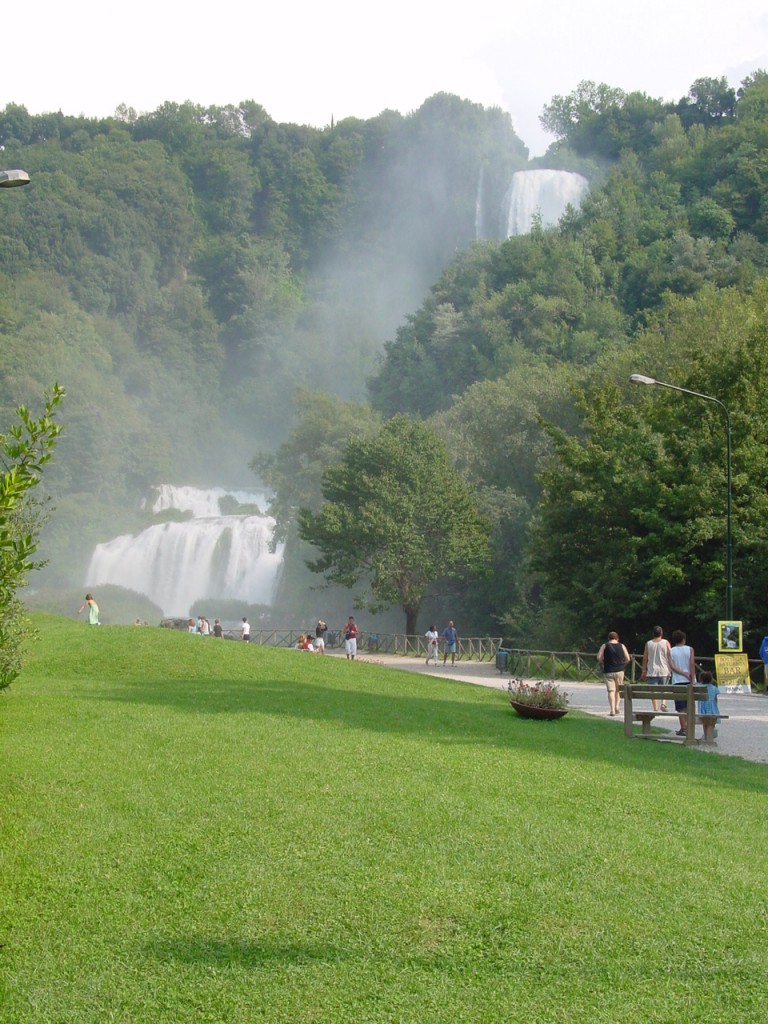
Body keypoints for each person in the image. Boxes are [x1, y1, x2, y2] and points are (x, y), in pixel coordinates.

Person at [596, 630, 630, 716]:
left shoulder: (605, 645)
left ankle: (612, 710)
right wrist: (622, 664)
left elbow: (599, 657)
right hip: (619, 670)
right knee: (618, 690)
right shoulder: (622, 646)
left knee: (611, 690)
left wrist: (603, 662)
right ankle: (617, 706)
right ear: (617, 638)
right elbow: (628, 659)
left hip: (608, 671)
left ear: (608, 638)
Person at [669, 629, 696, 736]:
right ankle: (689, 727)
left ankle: (683, 728)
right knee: (690, 705)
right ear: (683, 639)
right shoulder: (690, 649)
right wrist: (691, 676)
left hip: (677, 681)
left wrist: (682, 673)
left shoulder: (670, 651)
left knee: (681, 707)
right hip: (688, 681)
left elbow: (672, 667)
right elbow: (692, 663)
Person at [641, 625, 672, 712]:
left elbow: (645, 658)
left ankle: (655, 708)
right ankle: (663, 704)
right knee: (664, 689)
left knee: (653, 691)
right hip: (664, 670)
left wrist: (644, 670)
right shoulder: (666, 643)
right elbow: (670, 655)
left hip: (652, 670)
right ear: (661, 633)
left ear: (653, 634)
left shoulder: (648, 643)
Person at [697, 669, 721, 739]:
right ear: (711, 679)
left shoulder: (700, 688)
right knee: (712, 721)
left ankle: (705, 734)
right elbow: (715, 699)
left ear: (701, 680)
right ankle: (711, 731)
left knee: (704, 722)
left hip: (703, 709)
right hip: (712, 708)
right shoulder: (714, 688)